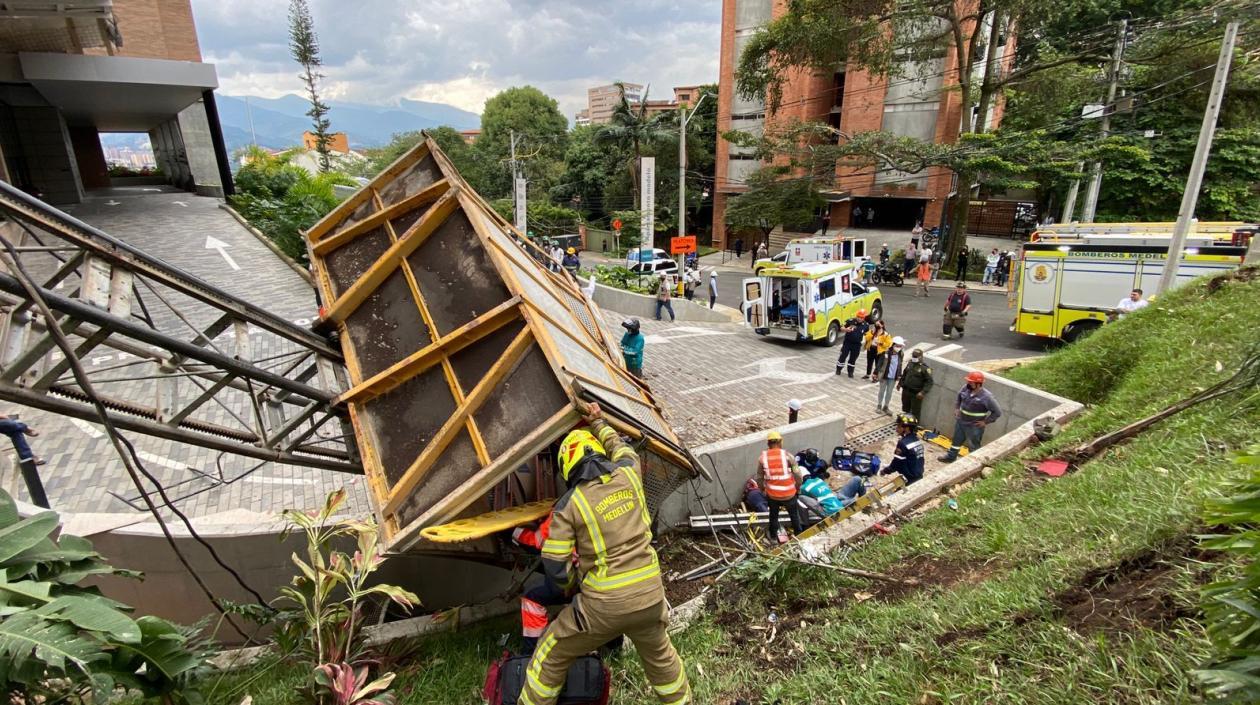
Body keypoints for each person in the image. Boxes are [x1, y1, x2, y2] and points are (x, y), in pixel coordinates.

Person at [524, 402, 690, 705]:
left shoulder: (568, 506)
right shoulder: (629, 473)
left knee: (552, 651)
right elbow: (620, 447)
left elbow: (555, 566)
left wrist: (570, 587)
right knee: (660, 657)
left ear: (568, 468)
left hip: (603, 607)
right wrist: (599, 422)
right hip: (651, 597)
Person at [511, 512, 570, 651]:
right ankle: (613, 646)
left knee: (532, 598)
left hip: (573, 577)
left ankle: (532, 653)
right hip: (604, 577)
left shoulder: (564, 508)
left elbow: (536, 541)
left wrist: (512, 531)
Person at [939, 371, 1002, 463]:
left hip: (974, 426)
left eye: (971, 382)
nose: (968, 383)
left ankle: (972, 463)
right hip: (961, 422)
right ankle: (951, 456)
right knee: (956, 441)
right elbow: (959, 397)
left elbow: (997, 412)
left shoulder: (987, 397)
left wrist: (985, 422)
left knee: (974, 445)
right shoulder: (966, 388)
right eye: (968, 381)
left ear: (978, 384)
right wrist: (957, 408)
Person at [757, 431, 801, 544]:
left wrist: (763, 490)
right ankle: (799, 537)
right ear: (781, 442)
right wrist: (797, 488)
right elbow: (798, 474)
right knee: (794, 516)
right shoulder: (787, 456)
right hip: (789, 494)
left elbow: (759, 478)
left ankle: (773, 538)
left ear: (768, 443)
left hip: (773, 495)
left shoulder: (763, 458)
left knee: (773, 516)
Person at [883, 414, 925, 484]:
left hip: (909, 478)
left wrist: (885, 471)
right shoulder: (917, 440)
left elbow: (896, 463)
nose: (896, 429)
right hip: (918, 474)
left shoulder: (902, 443)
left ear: (907, 428)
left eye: (899, 426)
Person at [897, 348, 934, 419]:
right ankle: (905, 423)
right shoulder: (910, 363)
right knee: (905, 408)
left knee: (915, 412)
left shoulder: (925, 368)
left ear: (921, 357)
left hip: (916, 394)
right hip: (906, 391)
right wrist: (899, 383)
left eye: (915, 356)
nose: (914, 358)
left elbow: (929, 382)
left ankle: (913, 427)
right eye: (913, 356)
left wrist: (923, 392)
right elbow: (904, 374)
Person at [873, 336, 905, 415]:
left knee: (889, 392)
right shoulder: (886, 352)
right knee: (882, 391)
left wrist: (899, 375)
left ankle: (886, 406)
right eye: (897, 346)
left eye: (900, 346)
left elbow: (899, 365)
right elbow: (880, 363)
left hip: (893, 377)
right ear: (893, 345)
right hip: (884, 375)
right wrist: (875, 373)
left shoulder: (901, 354)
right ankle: (879, 405)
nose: (899, 348)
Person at [834, 309, 869, 378]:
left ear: (864, 318)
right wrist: (846, 330)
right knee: (843, 356)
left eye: (861, 317)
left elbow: (867, 334)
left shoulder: (866, 325)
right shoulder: (850, 321)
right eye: (858, 317)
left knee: (853, 358)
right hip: (848, 342)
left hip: (857, 345)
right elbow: (841, 328)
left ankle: (850, 372)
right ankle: (838, 369)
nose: (859, 318)